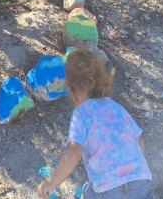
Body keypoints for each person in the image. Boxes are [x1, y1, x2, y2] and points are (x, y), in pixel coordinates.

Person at [38, 47, 152, 199]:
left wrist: (52, 182)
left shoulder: (81, 114)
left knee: (88, 193)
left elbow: (74, 151)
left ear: (72, 90)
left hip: (109, 190)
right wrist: (132, 171)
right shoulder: (116, 108)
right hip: (142, 180)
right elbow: (139, 140)